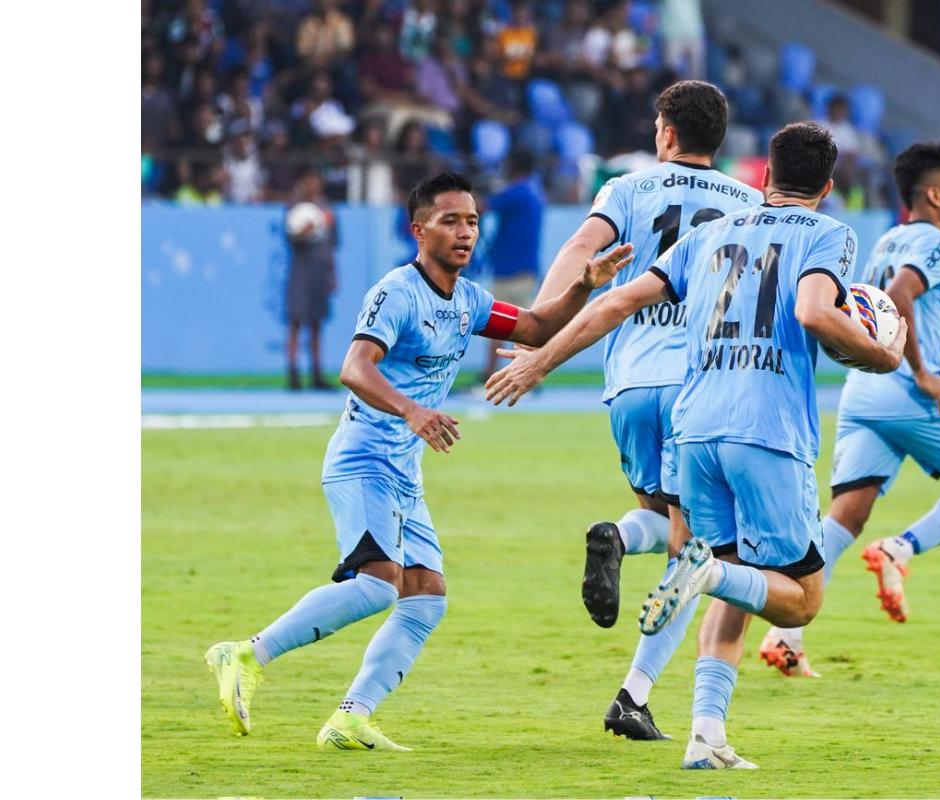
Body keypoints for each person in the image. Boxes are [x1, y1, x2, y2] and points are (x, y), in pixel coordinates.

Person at [487, 122, 907, 768]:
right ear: (826, 187)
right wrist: (878, 354)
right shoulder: (829, 233)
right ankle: (700, 572)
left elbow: (618, 302)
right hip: (766, 429)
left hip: (696, 426)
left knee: (734, 579)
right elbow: (814, 313)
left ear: (763, 176)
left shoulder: (707, 235)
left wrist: (541, 360)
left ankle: (705, 738)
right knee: (801, 597)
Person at [205, 172, 634, 751]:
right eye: (451, 220)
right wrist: (412, 411)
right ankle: (246, 654)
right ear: (418, 229)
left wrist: (585, 285)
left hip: (404, 472)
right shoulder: (395, 292)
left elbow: (536, 328)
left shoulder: (468, 299)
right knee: (378, 587)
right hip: (363, 461)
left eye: (473, 221)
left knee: (426, 596)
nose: (465, 232)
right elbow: (355, 368)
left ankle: (352, 717)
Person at [529, 79, 761, 742]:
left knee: (670, 527)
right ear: (718, 138)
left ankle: (623, 542)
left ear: (665, 133)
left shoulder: (628, 189)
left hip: (631, 383)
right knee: (699, 550)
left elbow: (582, 251)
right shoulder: (747, 204)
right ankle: (633, 693)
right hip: (703, 386)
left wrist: (545, 321)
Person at [759, 143, 940, 671]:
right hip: (908, 394)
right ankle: (901, 548)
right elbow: (899, 296)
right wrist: (925, 371)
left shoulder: (888, 240)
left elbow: (878, 306)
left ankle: (787, 638)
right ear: (935, 194)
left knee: (845, 516)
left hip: (863, 391)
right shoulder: (939, 244)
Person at [480, 149, 545, 382]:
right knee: (526, 328)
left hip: (509, 269)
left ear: (514, 165)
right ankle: (527, 375)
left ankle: (489, 374)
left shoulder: (517, 192)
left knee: (497, 325)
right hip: (525, 268)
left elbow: (483, 206)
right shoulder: (533, 192)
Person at [284, 168, 337, 390]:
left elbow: (332, 245)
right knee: (296, 321)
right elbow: (290, 237)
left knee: (317, 323)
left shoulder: (326, 209)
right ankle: (293, 374)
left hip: (320, 270)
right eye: (309, 180)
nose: (313, 184)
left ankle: (316, 373)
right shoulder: (296, 208)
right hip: (301, 269)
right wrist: (304, 231)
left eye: (316, 180)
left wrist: (333, 274)